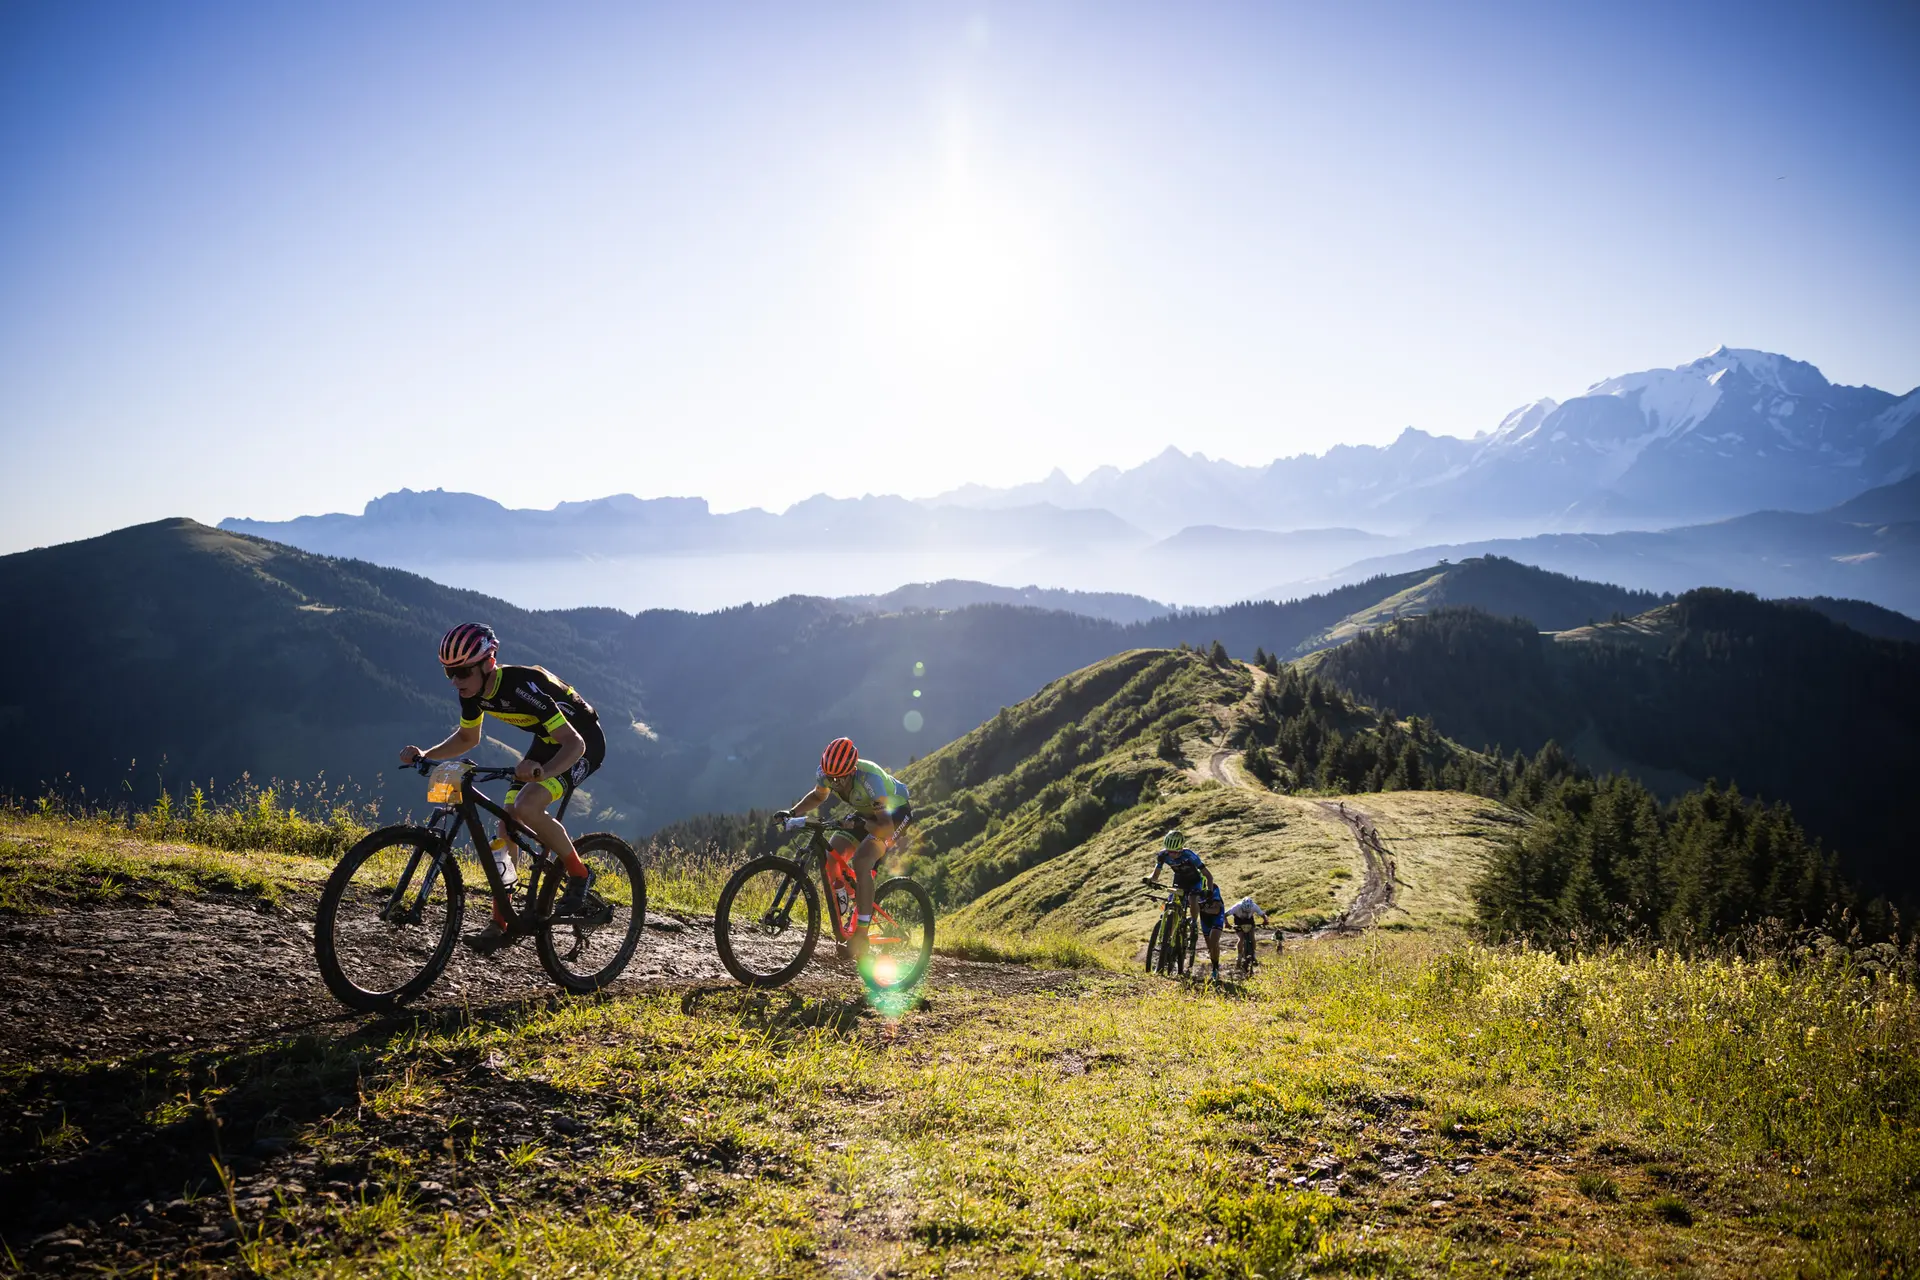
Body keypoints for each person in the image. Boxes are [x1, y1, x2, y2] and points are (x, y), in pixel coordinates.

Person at [401, 623, 605, 955]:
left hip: (581, 742)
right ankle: (501, 922)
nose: (455, 681)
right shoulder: (472, 692)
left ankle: (579, 873)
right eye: (449, 672)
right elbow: (468, 738)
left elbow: (575, 744)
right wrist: (427, 754)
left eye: (462, 672)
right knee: (506, 824)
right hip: (547, 741)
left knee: (527, 806)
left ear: (488, 663)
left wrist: (543, 772)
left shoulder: (521, 687)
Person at [774, 737, 911, 972]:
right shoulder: (826, 773)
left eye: (840, 779)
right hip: (866, 814)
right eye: (831, 779)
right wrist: (792, 812)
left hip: (893, 816)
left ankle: (861, 932)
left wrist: (863, 823)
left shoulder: (870, 779)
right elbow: (818, 796)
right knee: (831, 858)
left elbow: (885, 827)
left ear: (852, 771)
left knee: (862, 860)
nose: (835, 783)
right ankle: (853, 899)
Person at [1143, 828, 1226, 980]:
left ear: (1181, 848)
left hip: (1195, 881)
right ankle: (1168, 930)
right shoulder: (1162, 855)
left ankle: (1193, 923)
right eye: (1170, 852)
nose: (1172, 855)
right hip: (1179, 881)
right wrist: (1149, 880)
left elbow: (1208, 875)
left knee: (1193, 899)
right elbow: (1155, 875)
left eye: (1175, 852)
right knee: (1170, 901)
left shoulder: (1189, 855)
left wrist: (1208, 890)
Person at [1224, 895, 1271, 972]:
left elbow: (1263, 915)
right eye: (1244, 911)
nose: (1246, 913)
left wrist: (1266, 920)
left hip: (1249, 921)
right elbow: (1225, 915)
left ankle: (1254, 955)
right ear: (1242, 907)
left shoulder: (1254, 906)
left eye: (1248, 911)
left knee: (1252, 938)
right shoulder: (1237, 906)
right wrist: (1226, 923)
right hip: (1238, 921)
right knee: (1241, 938)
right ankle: (1239, 957)